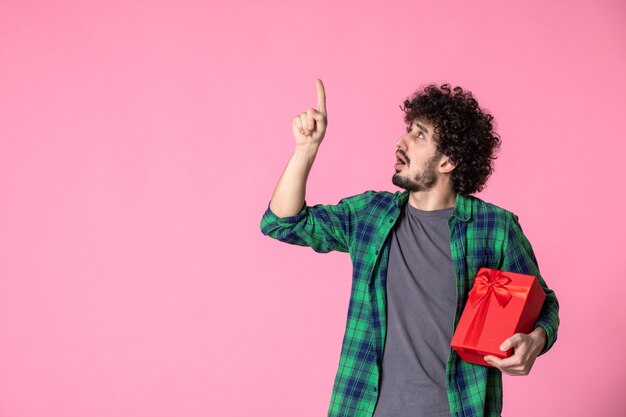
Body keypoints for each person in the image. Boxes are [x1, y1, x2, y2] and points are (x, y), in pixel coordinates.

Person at [259, 79, 559, 417]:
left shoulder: (494, 228)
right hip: (365, 408)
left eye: (419, 135)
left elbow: (543, 303)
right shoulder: (370, 215)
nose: (400, 142)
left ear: (448, 161)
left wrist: (536, 340)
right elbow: (283, 223)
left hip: (461, 408)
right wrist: (306, 148)